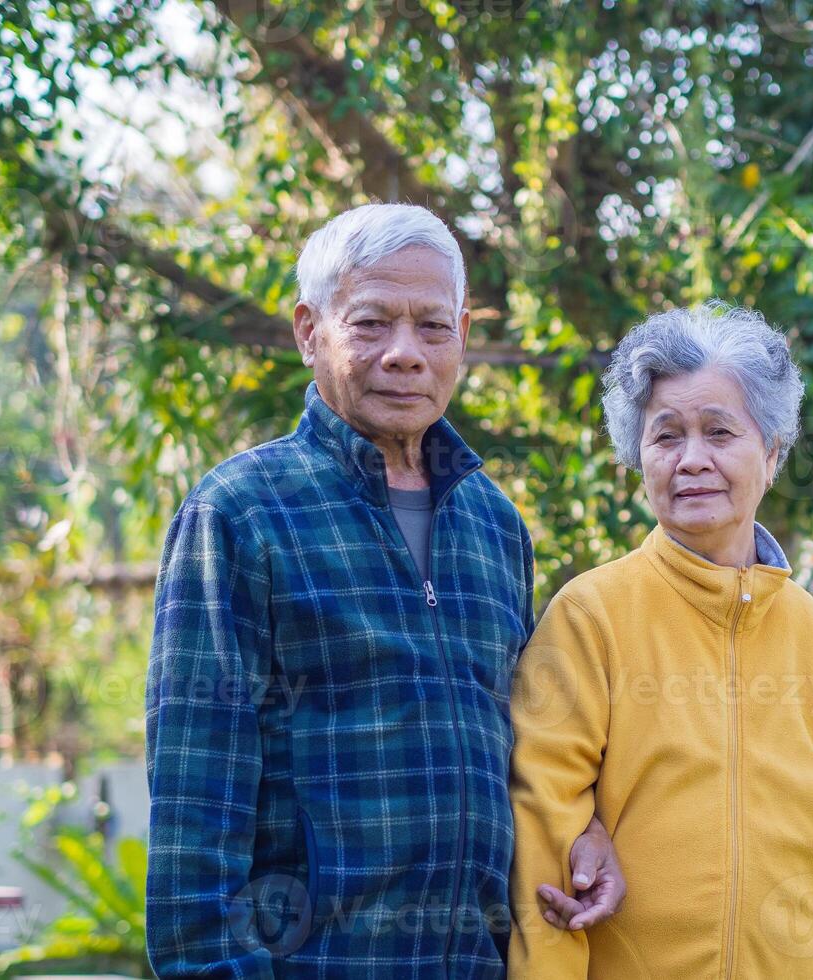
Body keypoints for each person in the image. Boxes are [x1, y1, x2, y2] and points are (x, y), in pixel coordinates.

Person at [145, 203, 622, 978]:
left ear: (463, 335)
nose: (406, 353)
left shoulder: (494, 525)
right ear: (309, 331)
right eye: (371, 323)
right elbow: (194, 824)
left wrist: (587, 826)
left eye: (433, 327)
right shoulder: (240, 514)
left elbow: (531, 746)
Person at [508, 301, 813, 978]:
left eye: (719, 432)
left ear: (773, 450)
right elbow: (544, 844)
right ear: (638, 455)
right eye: (666, 436)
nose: (692, 459)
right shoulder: (589, 617)